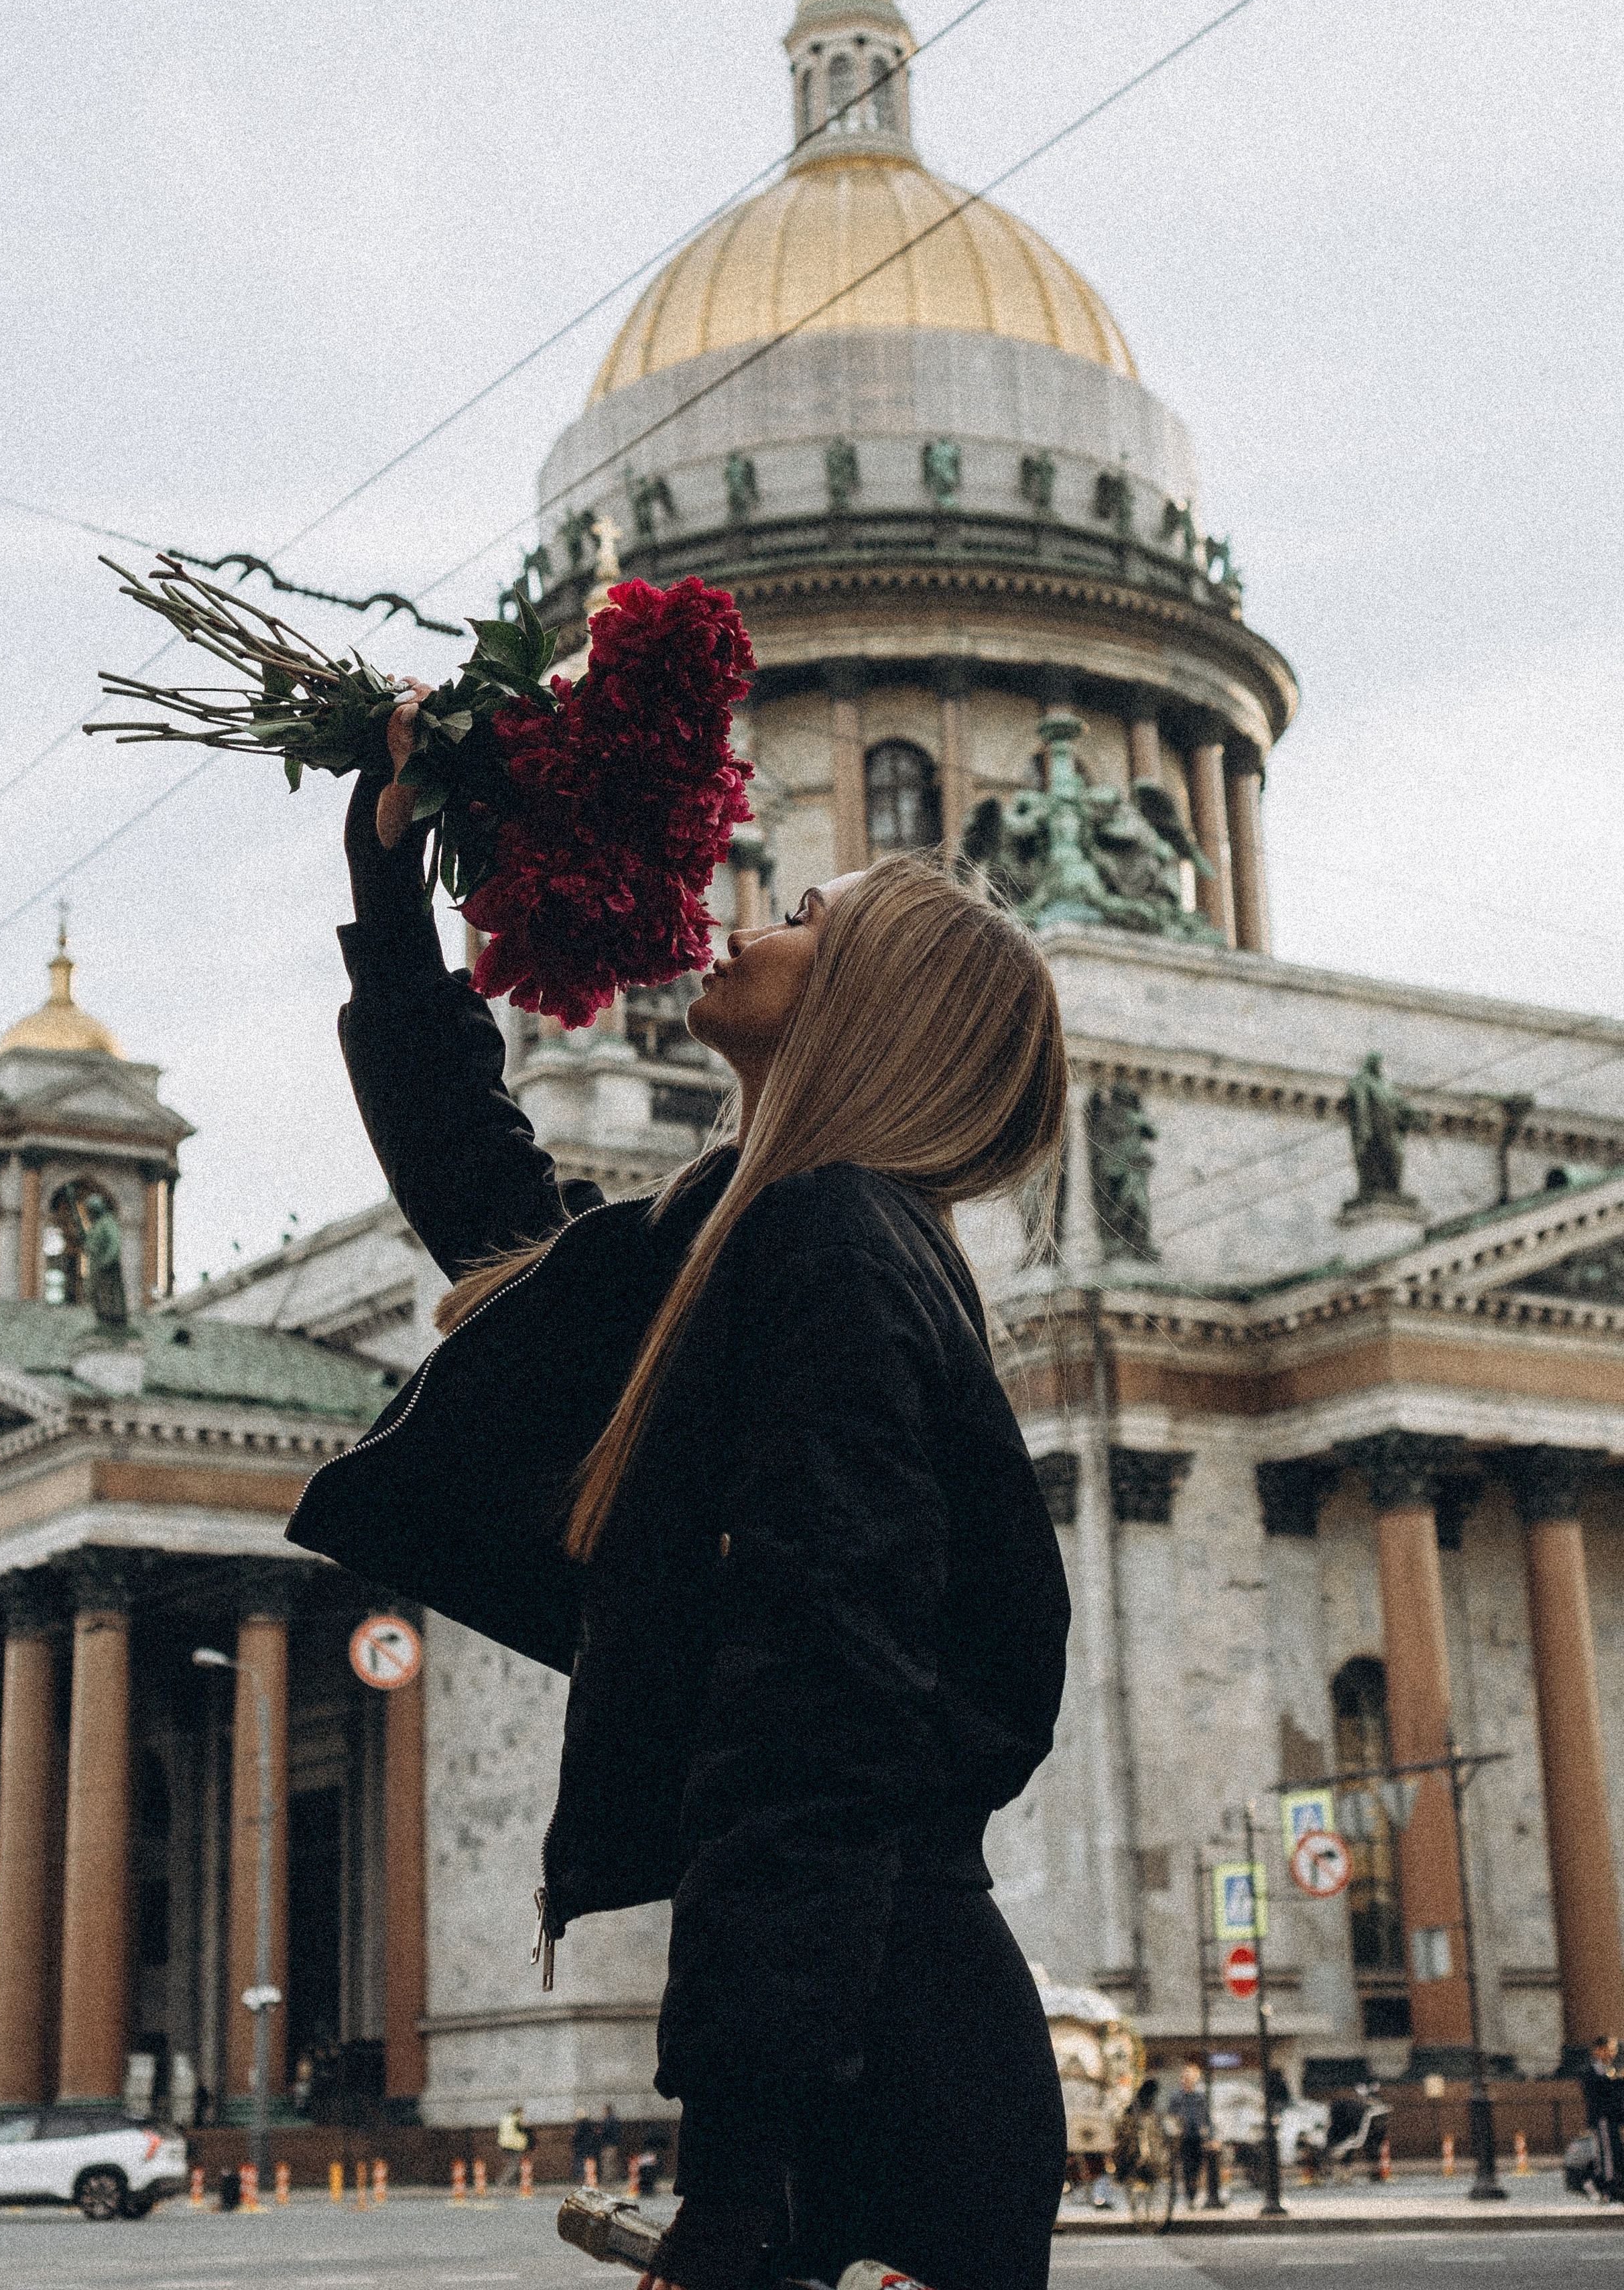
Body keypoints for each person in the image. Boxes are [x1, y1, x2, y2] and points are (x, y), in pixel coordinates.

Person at [287, 699, 1073, 2290]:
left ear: (871, 1002)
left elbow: (819, 1710)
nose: (744, 918)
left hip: (875, 2079)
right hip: (868, 2039)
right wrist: (392, 904)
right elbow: (503, 1227)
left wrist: (737, 2172)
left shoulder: (830, 1244)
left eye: (799, 915)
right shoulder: (763, 1229)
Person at [1164, 2059, 1210, 2215]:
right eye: (1186, 2076)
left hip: (1197, 2137)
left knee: (1196, 2168)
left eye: (1191, 2076)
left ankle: (1194, 2193)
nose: (1188, 2079)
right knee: (1186, 2167)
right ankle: (1190, 2196)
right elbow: (1170, 2116)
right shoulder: (1177, 2096)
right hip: (1182, 2138)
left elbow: (1206, 2118)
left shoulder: (1200, 2097)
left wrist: (1209, 2136)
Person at [1581, 2037, 1621, 2200]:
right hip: (1602, 2117)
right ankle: (1605, 2185)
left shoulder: (1608, 2069)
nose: (1609, 2054)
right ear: (1597, 2050)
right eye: (1606, 2049)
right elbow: (1598, 2091)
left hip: (1611, 2116)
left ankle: (1607, 2183)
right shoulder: (1592, 2069)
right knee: (1606, 2153)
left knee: (1612, 2151)